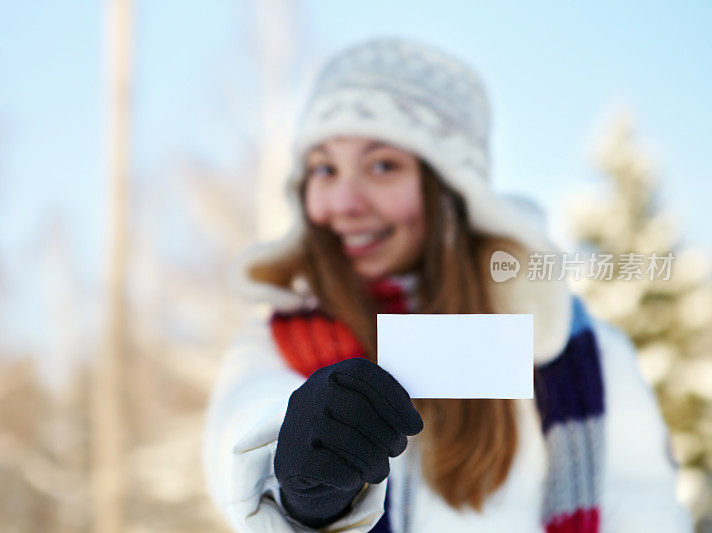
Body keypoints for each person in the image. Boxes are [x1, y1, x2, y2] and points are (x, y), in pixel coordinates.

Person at [202, 37, 691, 532]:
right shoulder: (275, 340)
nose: (344, 202)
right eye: (324, 168)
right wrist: (307, 489)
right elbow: (240, 450)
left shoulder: (578, 351)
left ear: (450, 192)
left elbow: (647, 516)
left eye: (382, 165)